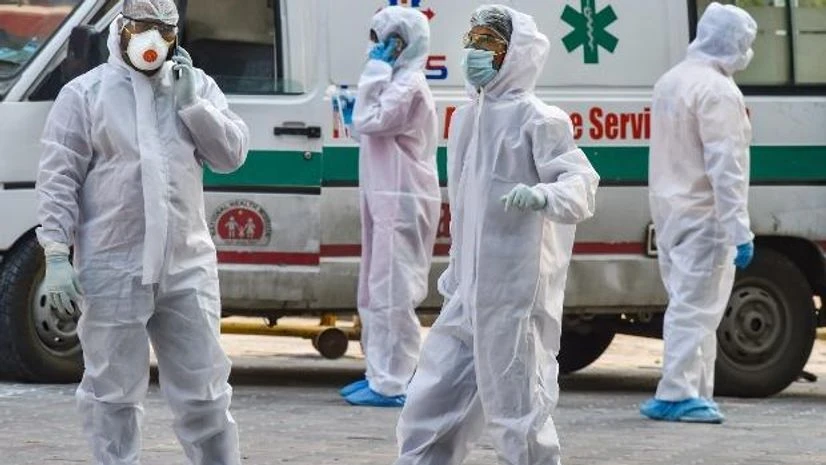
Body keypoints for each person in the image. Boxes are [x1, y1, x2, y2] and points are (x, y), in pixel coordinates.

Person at [36, 0, 249, 463]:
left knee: (206, 394)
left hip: (187, 269)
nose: (152, 39)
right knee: (112, 397)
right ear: (122, 28)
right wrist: (55, 254)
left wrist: (195, 106)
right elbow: (58, 178)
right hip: (113, 267)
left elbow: (231, 157)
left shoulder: (196, 88)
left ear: (176, 35)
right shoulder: (85, 95)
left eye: (163, 29)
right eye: (142, 27)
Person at [394, 5, 599, 465]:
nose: (473, 52)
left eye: (486, 42)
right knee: (430, 405)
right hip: (466, 296)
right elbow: (464, 210)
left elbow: (581, 183)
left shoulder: (539, 119)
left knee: (518, 418)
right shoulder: (466, 120)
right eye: (471, 41)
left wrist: (543, 196)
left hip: (514, 299)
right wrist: (453, 276)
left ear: (514, 53)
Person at [641, 2, 757, 424]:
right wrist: (738, 228)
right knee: (696, 310)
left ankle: (696, 392)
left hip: (671, 212)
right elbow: (726, 165)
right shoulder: (718, 91)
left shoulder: (671, 81)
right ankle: (678, 393)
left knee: (691, 306)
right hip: (706, 217)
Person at [337, 6, 442, 408]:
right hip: (385, 196)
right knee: (374, 289)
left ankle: (392, 382)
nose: (376, 47)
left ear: (401, 42)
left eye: (384, 39)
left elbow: (372, 120)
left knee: (393, 293)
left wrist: (373, 76)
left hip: (402, 199)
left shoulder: (408, 84)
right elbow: (368, 128)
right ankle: (378, 372)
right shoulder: (397, 81)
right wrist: (353, 118)